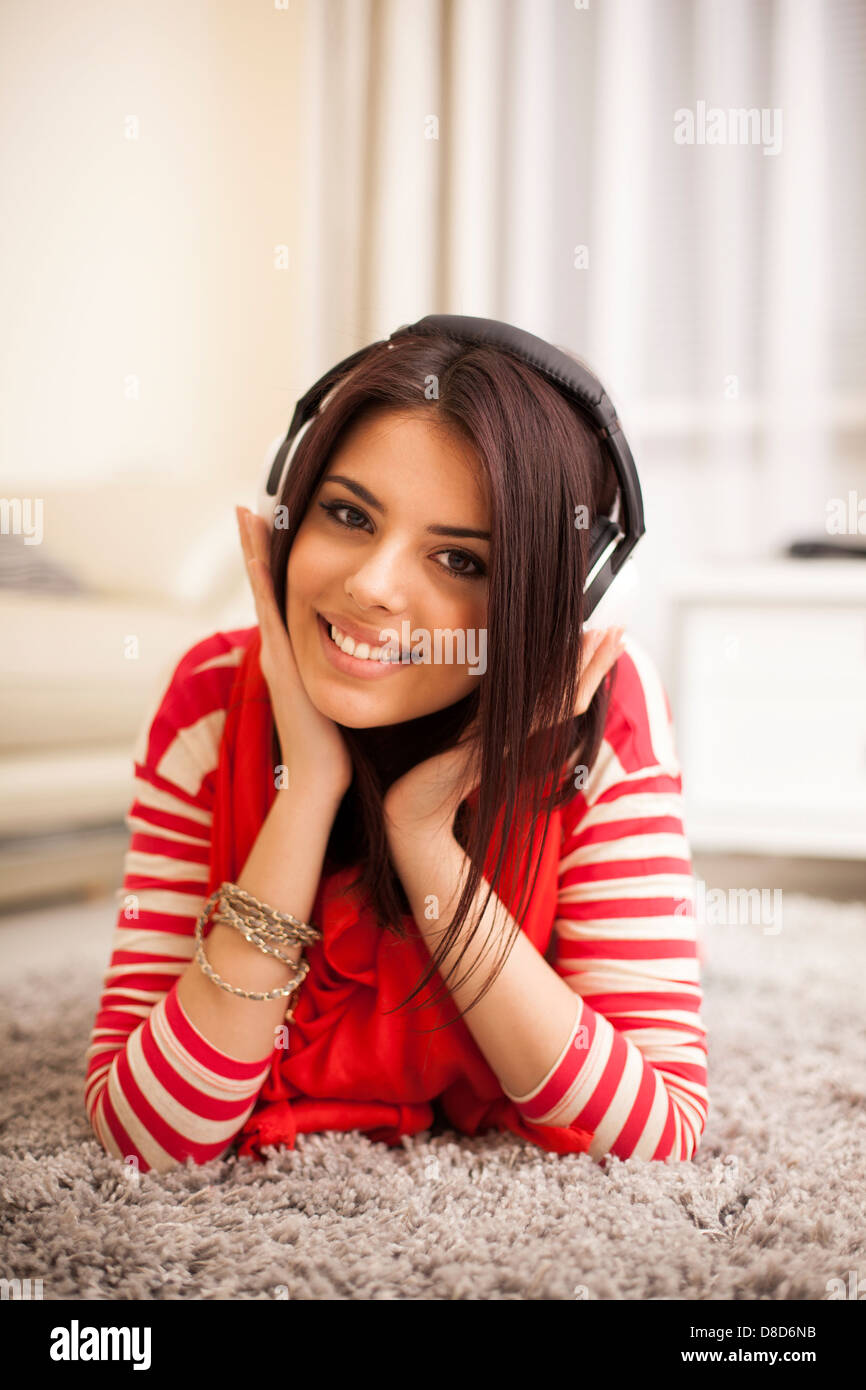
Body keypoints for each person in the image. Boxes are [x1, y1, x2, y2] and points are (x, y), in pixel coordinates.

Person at [84, 329, 708, 1174]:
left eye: (459, 559)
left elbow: (655, 1137)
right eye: (348, 514)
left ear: (553, 597)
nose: (374, 586)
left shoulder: (601, 707)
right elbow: (149, 1140)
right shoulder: (210, 699)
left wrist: (422, 835)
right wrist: (307, 790)